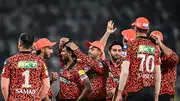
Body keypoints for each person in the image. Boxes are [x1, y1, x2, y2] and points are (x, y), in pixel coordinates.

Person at [113, 17, 161, 101]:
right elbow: (158, 74)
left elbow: (124, 72)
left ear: (135, 28)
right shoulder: (155, 47)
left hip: (133, 92)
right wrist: (156, 96)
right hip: (149, 92)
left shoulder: (130, 45)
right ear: (147, 30)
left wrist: (119, 93)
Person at [1, 33, 50, 101]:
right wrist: (37, 99)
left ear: (19, 44)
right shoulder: (40, 63)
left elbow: (4, 86)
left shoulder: (10, 61)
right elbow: (46, 86)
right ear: (33, 45)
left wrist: (8, 99)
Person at [150, 30, 179, 101]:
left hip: (165, 94)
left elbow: (175, 59)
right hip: (151, 94)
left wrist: (159, 44)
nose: (154, 45)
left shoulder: (166, 58)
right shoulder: (149, 59)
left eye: (156, 42)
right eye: (151, 42)